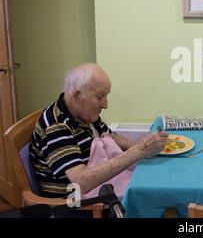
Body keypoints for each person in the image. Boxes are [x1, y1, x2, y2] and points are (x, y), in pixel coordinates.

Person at [29, 63, 168, 199]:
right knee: (154, 196)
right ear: (77, 95)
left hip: (99, 189)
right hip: (76, 205)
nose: (105, 104)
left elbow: (111, 137)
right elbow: (81, 182)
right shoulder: (56, 126)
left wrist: (150, 150)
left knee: (156, 180)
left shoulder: (84, 113)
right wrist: (139, 150)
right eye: (100, 96)